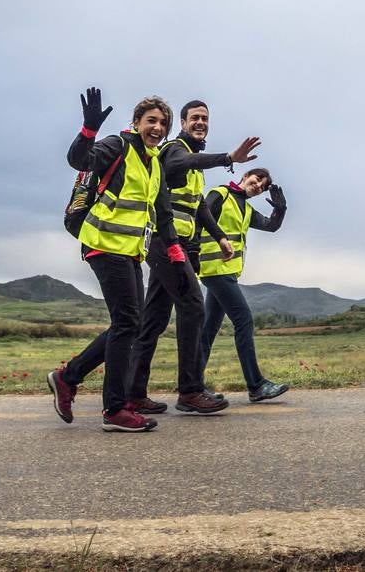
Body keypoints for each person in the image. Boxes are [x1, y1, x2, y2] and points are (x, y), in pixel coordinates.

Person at [47, 88, 190, 433]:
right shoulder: (118, 145)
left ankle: (68, 377)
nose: (157, 127)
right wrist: (88, 130)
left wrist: (173, 248)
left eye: (162, 123)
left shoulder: (154, 163)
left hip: (129, 251)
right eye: (150, 120)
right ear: (137, 122)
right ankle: (114, 409)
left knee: (129, 324)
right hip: (102, 243)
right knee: (128, 322)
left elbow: (161, 210)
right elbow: (79, 161)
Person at [128, 100, 260, 415]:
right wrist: (227, 158)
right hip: (164, 241)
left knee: (155, 321)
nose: (201, 122)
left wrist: (220, 238)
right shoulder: (175, 149)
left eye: (205, 118)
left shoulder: (193, 166)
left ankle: (132, 393)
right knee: (192, 306)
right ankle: (189, 390)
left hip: (177, 244)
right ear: (184, 123)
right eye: (195, 118)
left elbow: (198, 205)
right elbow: (174, 166)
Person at [198, 168, 290, 403]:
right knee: (244, 320)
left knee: (208, 330)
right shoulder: (220, 194)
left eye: (263, 185)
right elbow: (201, 219)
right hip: (215, 269)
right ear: (246, 175)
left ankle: (192, 385)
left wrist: (280, 209)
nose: (258, 185)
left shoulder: (246, 208)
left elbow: (271, 226)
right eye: (257, 179)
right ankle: (256, 385)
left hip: (226, 272)